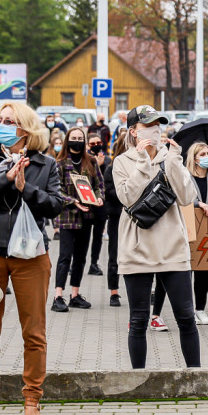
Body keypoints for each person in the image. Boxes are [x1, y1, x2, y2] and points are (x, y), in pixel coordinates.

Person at [0, 101, 63, 415]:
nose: (2, 125)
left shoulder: (46, 164)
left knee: (33, 332)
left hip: (31, 257)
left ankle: (32, 400)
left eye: (10, 120)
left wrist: (26, 188)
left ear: (25, 127)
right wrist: (5, 179)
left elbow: (54, 206)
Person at [113, 105, 200, 370]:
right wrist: (142, 162)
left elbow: (187, 197)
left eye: (158, 125)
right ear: (133, 132)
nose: (155, 131)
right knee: (138, 319)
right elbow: (128, 197)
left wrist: (174, 160)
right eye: (148, 126)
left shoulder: (170, 157)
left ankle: (195, 376)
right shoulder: (122, 162)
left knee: (186, 317)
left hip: (173, 248)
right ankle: (137, 379)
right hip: (136, 249)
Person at [164, 142, 208, 326]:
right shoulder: (186, 177)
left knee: (203, 275)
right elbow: (181, 199)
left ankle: (200, 309)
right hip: (187, 231)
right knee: (186, 273)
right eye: (202, 154)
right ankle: (187, 310)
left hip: (206, 233)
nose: (207, 156)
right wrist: (198, 204)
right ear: (194, 158)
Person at [51, 126, 104, 312]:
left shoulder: (90, 161)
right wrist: (73, 201)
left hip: (87, 215)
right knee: (65, 256)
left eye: (80, 138)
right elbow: (56, 190)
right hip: (67, 216)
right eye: (73, 137)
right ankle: (58, 296)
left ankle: (75, 295)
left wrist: (99, 197)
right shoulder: (59, 163)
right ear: (67, 140)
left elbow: (99, 185)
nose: (77, 140)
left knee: (81, 257)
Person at [104, 136, 128, 308]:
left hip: (137, 217)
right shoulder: (111, 168)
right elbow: (109, 191)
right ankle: (114, 291)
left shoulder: (141, 166)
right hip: (117, 217)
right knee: (115, 253)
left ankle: (147, 290)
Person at [86, 132, 109, 277]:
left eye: (98, 143)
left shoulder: (106, 159)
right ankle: (76, 261)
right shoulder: (85, 160)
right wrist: (96, 166)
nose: (96, 146)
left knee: (98, 236)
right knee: (83, 236)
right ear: (88, 145)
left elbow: (105, 182)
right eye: (92, 144)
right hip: (87, 202)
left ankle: (94, 263)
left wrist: (101, 165)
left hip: (101, 204)